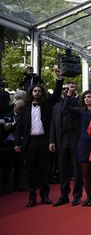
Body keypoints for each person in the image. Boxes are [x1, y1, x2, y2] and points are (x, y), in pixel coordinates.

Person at [14, 68, 63, 207]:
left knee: (44, 169)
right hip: (29, 142)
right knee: (30, 171)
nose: (37, 93)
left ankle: (45, 196)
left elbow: (56, 95)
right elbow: (18, 128)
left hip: (44, 140)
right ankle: (31, 197)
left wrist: (58, 79)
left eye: (39, 91)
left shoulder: (47, 105)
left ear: (42, 93)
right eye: (35, 91)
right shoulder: (24, 108)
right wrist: (17, 143)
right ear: (31, 93)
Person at [63, 66, 91, 206]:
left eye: (89, 96)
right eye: (84, 97)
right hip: (83, 144)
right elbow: (66, 108)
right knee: (84, 172)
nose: (86, 98)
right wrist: (69, 93)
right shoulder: (80, 112)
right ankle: (88, 196)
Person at [49, 81, 83, 207]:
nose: (66, 90)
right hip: (61, 139)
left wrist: (70, 94)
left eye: (69, 88)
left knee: (76, 169)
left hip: (75, 138)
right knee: (63, 169)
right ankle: (63, 195)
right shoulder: (56, 106)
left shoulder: (78, 102)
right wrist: (52, 140)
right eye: (64, 88)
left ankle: (77, 196)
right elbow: (53, 124)